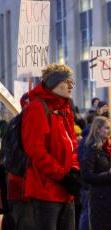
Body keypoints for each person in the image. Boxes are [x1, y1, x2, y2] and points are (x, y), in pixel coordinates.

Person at [11, 63, 81, 230]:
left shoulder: (66, 108)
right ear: (53, 84)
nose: (71, 85)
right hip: (45, 191)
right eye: (67, 81)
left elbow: (72, 143)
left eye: (72, 81)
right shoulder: (37, 108)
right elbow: (36, 150)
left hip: (66, 192)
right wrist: (61, 175)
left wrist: (74, 169)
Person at [80, 116, 111, 230]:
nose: (110, 131)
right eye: (107, 128)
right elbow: (86, 175)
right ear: (97, 129)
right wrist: (109, 174)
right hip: (100, 199)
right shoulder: (91, 148)